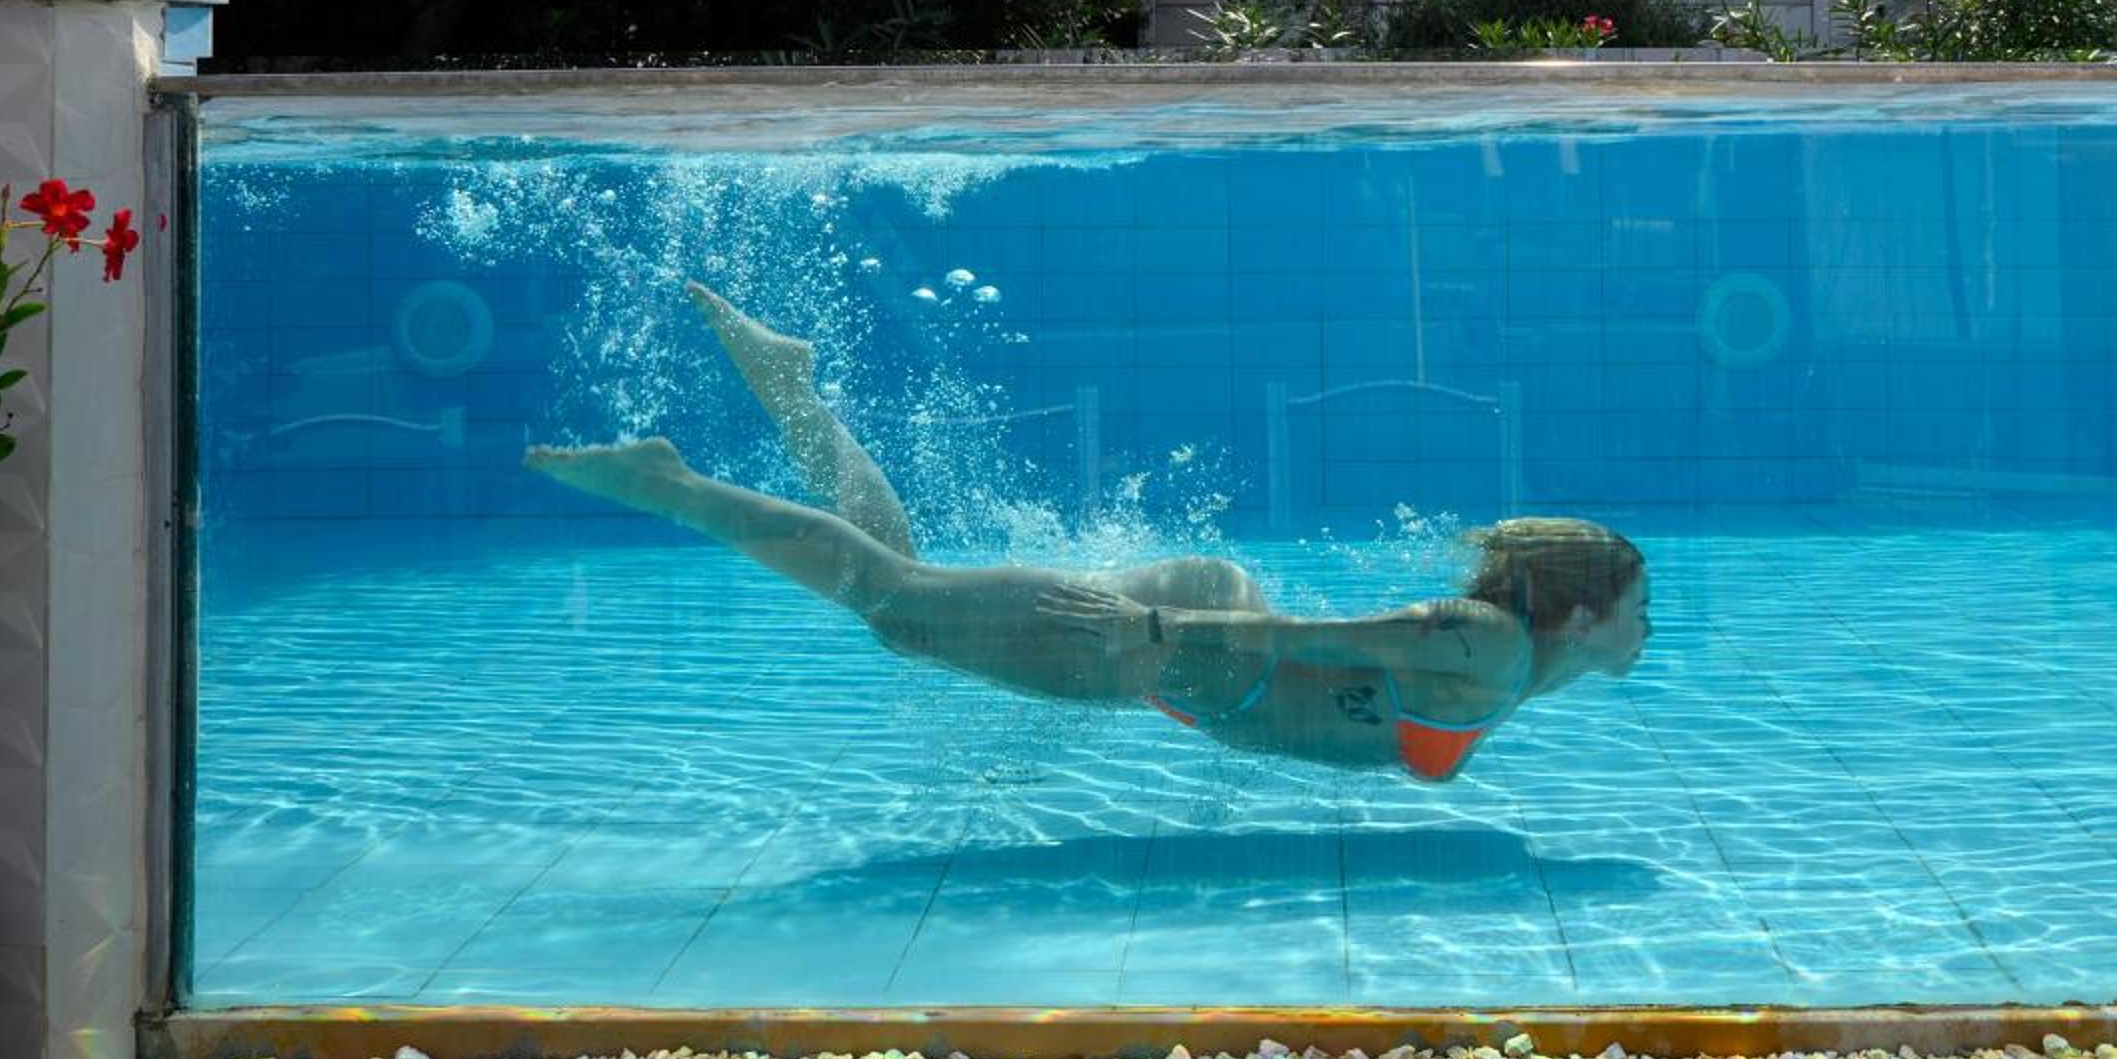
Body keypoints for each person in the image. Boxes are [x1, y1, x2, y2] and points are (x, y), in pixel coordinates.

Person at [527, 282, 1649, 782]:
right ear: (1586, 612)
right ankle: (674, 484)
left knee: (906, 594)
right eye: (1638, 608)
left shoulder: (1520, 664)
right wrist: (1158, 626)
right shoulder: (1486, 642)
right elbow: (1327, 635)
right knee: (896, 606)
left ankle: (792, 392)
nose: (1648, 627)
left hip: (1190, 649)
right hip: (1178, 645)